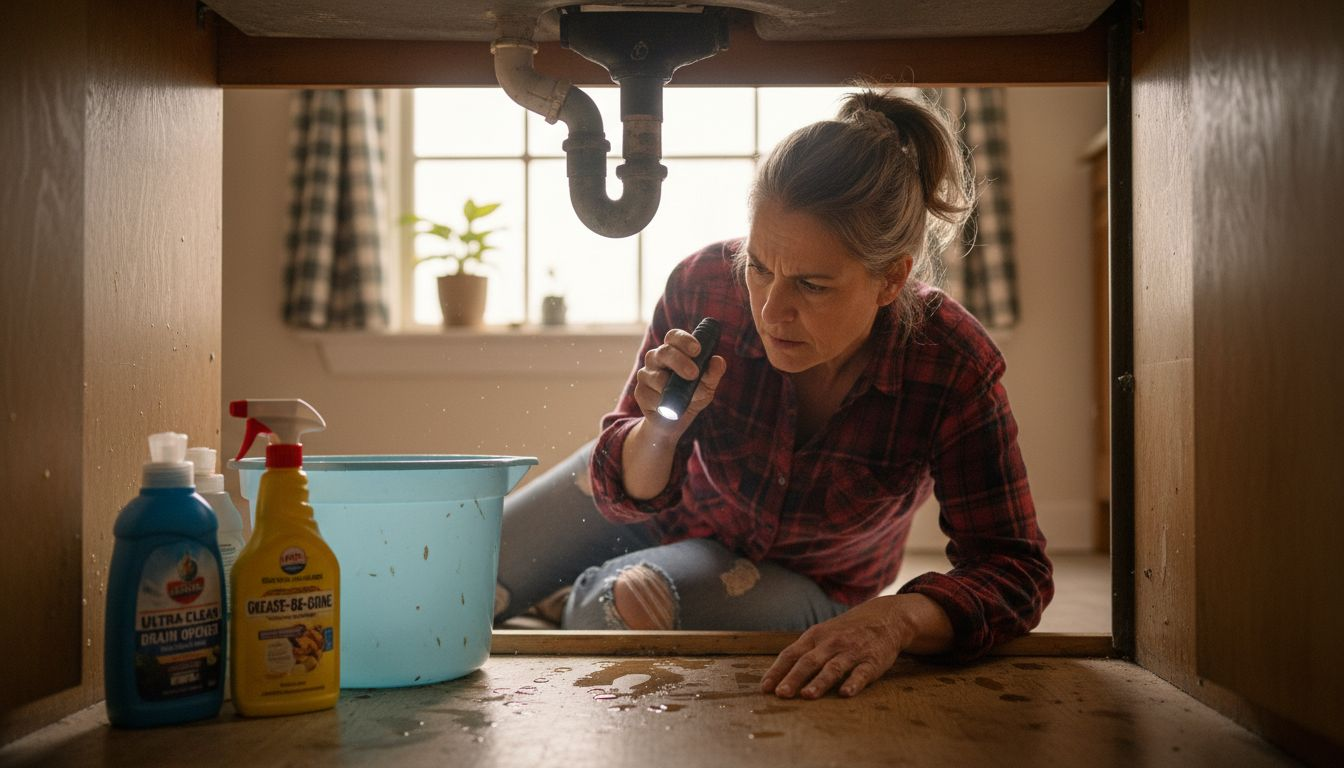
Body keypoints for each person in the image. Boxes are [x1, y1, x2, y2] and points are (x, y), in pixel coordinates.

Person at [495, 88, 1052, 700]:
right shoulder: (705, 286)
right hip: (661, 498)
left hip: (799, 578)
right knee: (443, 582)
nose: (770, 310)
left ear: (892, 276)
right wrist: (661, 429)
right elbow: (630, 488)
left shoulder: (950, 364)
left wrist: (896, 618)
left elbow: (1015, 568)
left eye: (812, 286)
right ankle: (562, 588)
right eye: (759, 266)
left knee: (623, 605)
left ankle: (571, 595)